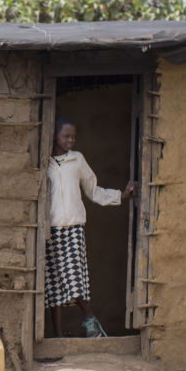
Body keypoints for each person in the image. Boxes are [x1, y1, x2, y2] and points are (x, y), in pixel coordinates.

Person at [45, 116, 135, 338]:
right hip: (51, 231)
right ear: (55, 136)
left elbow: (92, 189)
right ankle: (57, 335)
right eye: (66, 136)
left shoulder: (77, 160)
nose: (71, 140)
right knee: (54, 285)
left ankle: (89, 320)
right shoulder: (44, 162)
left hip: (73, 228)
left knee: (75, 282)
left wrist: (120, 196)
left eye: (73, 136)